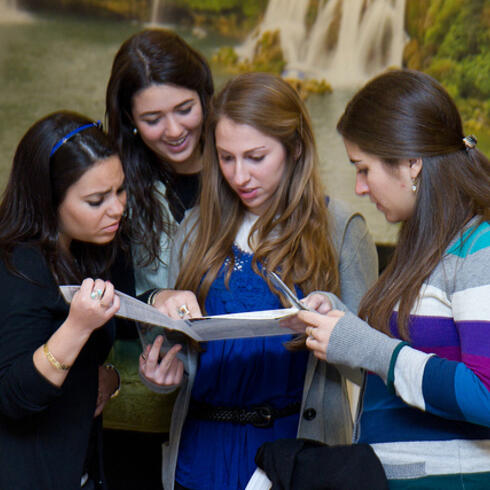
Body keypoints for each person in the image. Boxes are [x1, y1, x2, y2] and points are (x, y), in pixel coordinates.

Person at [140, 72, 378, 490]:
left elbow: (370, 365)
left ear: (295, 148)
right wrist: (159, 373)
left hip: (296, 455)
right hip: (200, 453)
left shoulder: (341, 229)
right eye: (226, 158)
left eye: (255, 157)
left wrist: (331, 322)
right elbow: (179, 353)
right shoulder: (195, 228)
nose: (239, 176)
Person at [295, 69, 490, 488]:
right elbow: (395, 370)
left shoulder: (480, 248)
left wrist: (370, 346)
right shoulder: (425, 248)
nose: (359, 188)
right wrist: (343, 329)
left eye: (363, 169)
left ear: (411, 163)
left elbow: (486, 395)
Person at [103, 28, 214, 490]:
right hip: (136, 415)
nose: (173, 130)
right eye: (152, 119)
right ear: (129, 120)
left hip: (233, 407)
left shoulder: (242, 170)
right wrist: (155, 299)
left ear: (204, 95)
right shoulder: (114, 184)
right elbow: (98, 289)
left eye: (184, 109)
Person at [0, 111, 126, 489]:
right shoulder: (20, 265)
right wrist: (77, 326)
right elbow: (13, 397)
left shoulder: (86, 250)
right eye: (96, 200)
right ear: (48, 201)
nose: (117, 208)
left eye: (120, 190)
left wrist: (107, 378)